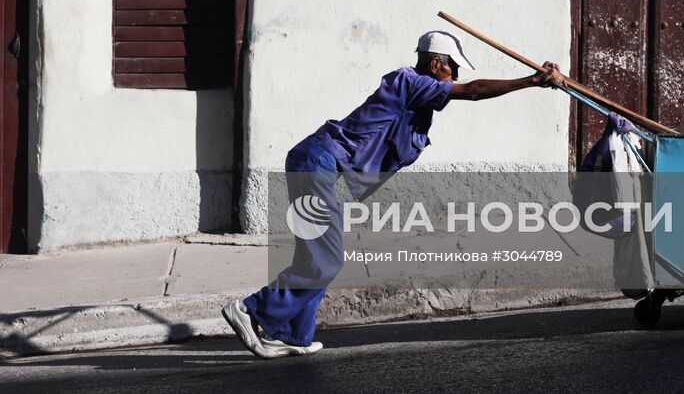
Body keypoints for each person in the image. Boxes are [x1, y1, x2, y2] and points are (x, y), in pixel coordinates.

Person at [221, 29, 562, 358]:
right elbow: (472, 91)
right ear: (435, 65)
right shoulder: (412, 83)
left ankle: (293, 335)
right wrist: (531, 81)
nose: (454, 75)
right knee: (326, 258)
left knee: (317, 256)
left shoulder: (417, 96)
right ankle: (249, 311)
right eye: (452, 68)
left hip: (315, 163)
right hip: (315, 164)